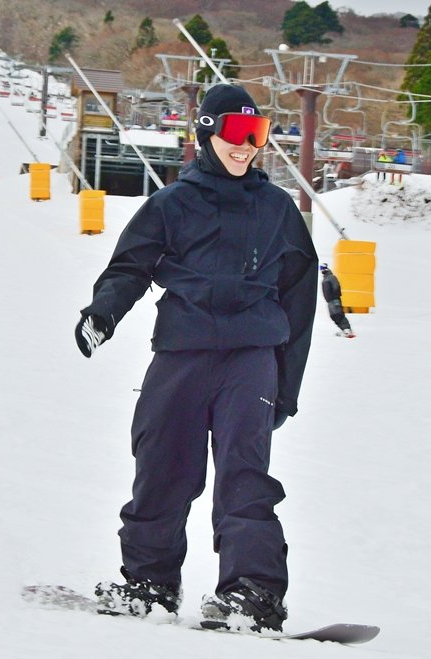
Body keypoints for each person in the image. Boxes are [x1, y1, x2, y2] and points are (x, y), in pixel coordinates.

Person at [76, 83, 317, 633]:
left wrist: (287, 385)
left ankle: (252, 592)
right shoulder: (171, 205)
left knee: (243, 474)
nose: (245, 146)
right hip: (182, 352)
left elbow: (299, 300)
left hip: (250, 357)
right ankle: (150, 584)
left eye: (256, 135)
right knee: (161, 465)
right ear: (207, 133)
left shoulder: (277, 209)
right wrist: (103, 313)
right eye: (235, 132)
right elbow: (130, 268)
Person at [320, 263, 354, 338]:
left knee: (339, 314)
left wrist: (335, 296)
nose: (322, 270)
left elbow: (337, 287)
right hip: (329, 301)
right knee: (333, 316)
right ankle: (344, 329)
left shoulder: (331, 277)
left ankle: (347, 329)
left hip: (334, 300)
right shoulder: (325, 279)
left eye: (323, 268)